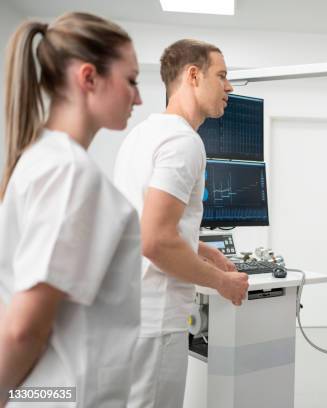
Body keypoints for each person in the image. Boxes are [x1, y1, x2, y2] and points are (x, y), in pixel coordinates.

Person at [0, 12, 143, 407]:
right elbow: (24, 328)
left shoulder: (42, 159)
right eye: (131, 80)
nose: (138, 96)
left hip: (51, 391)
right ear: (89, 78)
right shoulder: (68, 172)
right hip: (63, 395)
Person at [114, 39, 249, 408]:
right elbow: (156, 241)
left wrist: (204, 251)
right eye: (222, 76)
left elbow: (144, 225)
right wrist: (223, 283)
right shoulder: (183, 142)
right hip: (157, 320)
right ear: (193, 75)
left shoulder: (141, 135)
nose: (229, 87)